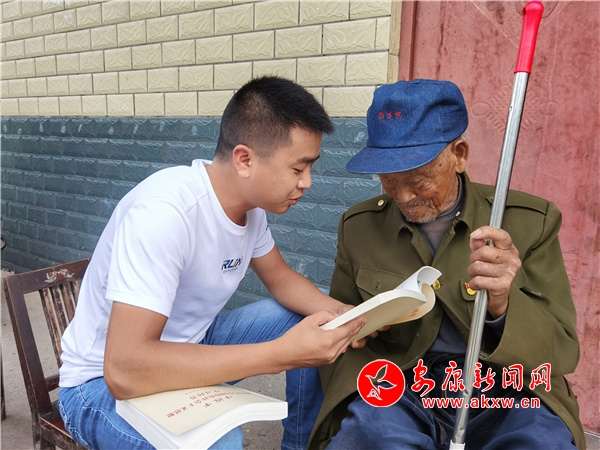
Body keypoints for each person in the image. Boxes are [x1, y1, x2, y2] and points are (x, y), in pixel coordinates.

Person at [57, 76, 368, 450]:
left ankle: (300, 445)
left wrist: (347, 315)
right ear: (244, 160)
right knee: (220, 442)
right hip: (98, 388)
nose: (307, 183)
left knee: (316, 316)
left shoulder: (250, 210)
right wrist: (280, 355)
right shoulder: (165, 214)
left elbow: (281, 279)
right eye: (298, 169)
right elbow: (124, 372)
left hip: (192, 343)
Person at [308, 79, 584, 449]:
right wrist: (355, 333)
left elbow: (562, 350)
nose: (404, 195)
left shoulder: (529, 222)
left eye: (417, 178)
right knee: (367, 436)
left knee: (539, 443)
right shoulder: (359, 227)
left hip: (504, 386)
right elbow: (341, 334)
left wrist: (503, 304)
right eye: (389, 179)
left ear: (459, 154)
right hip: (400, 384)